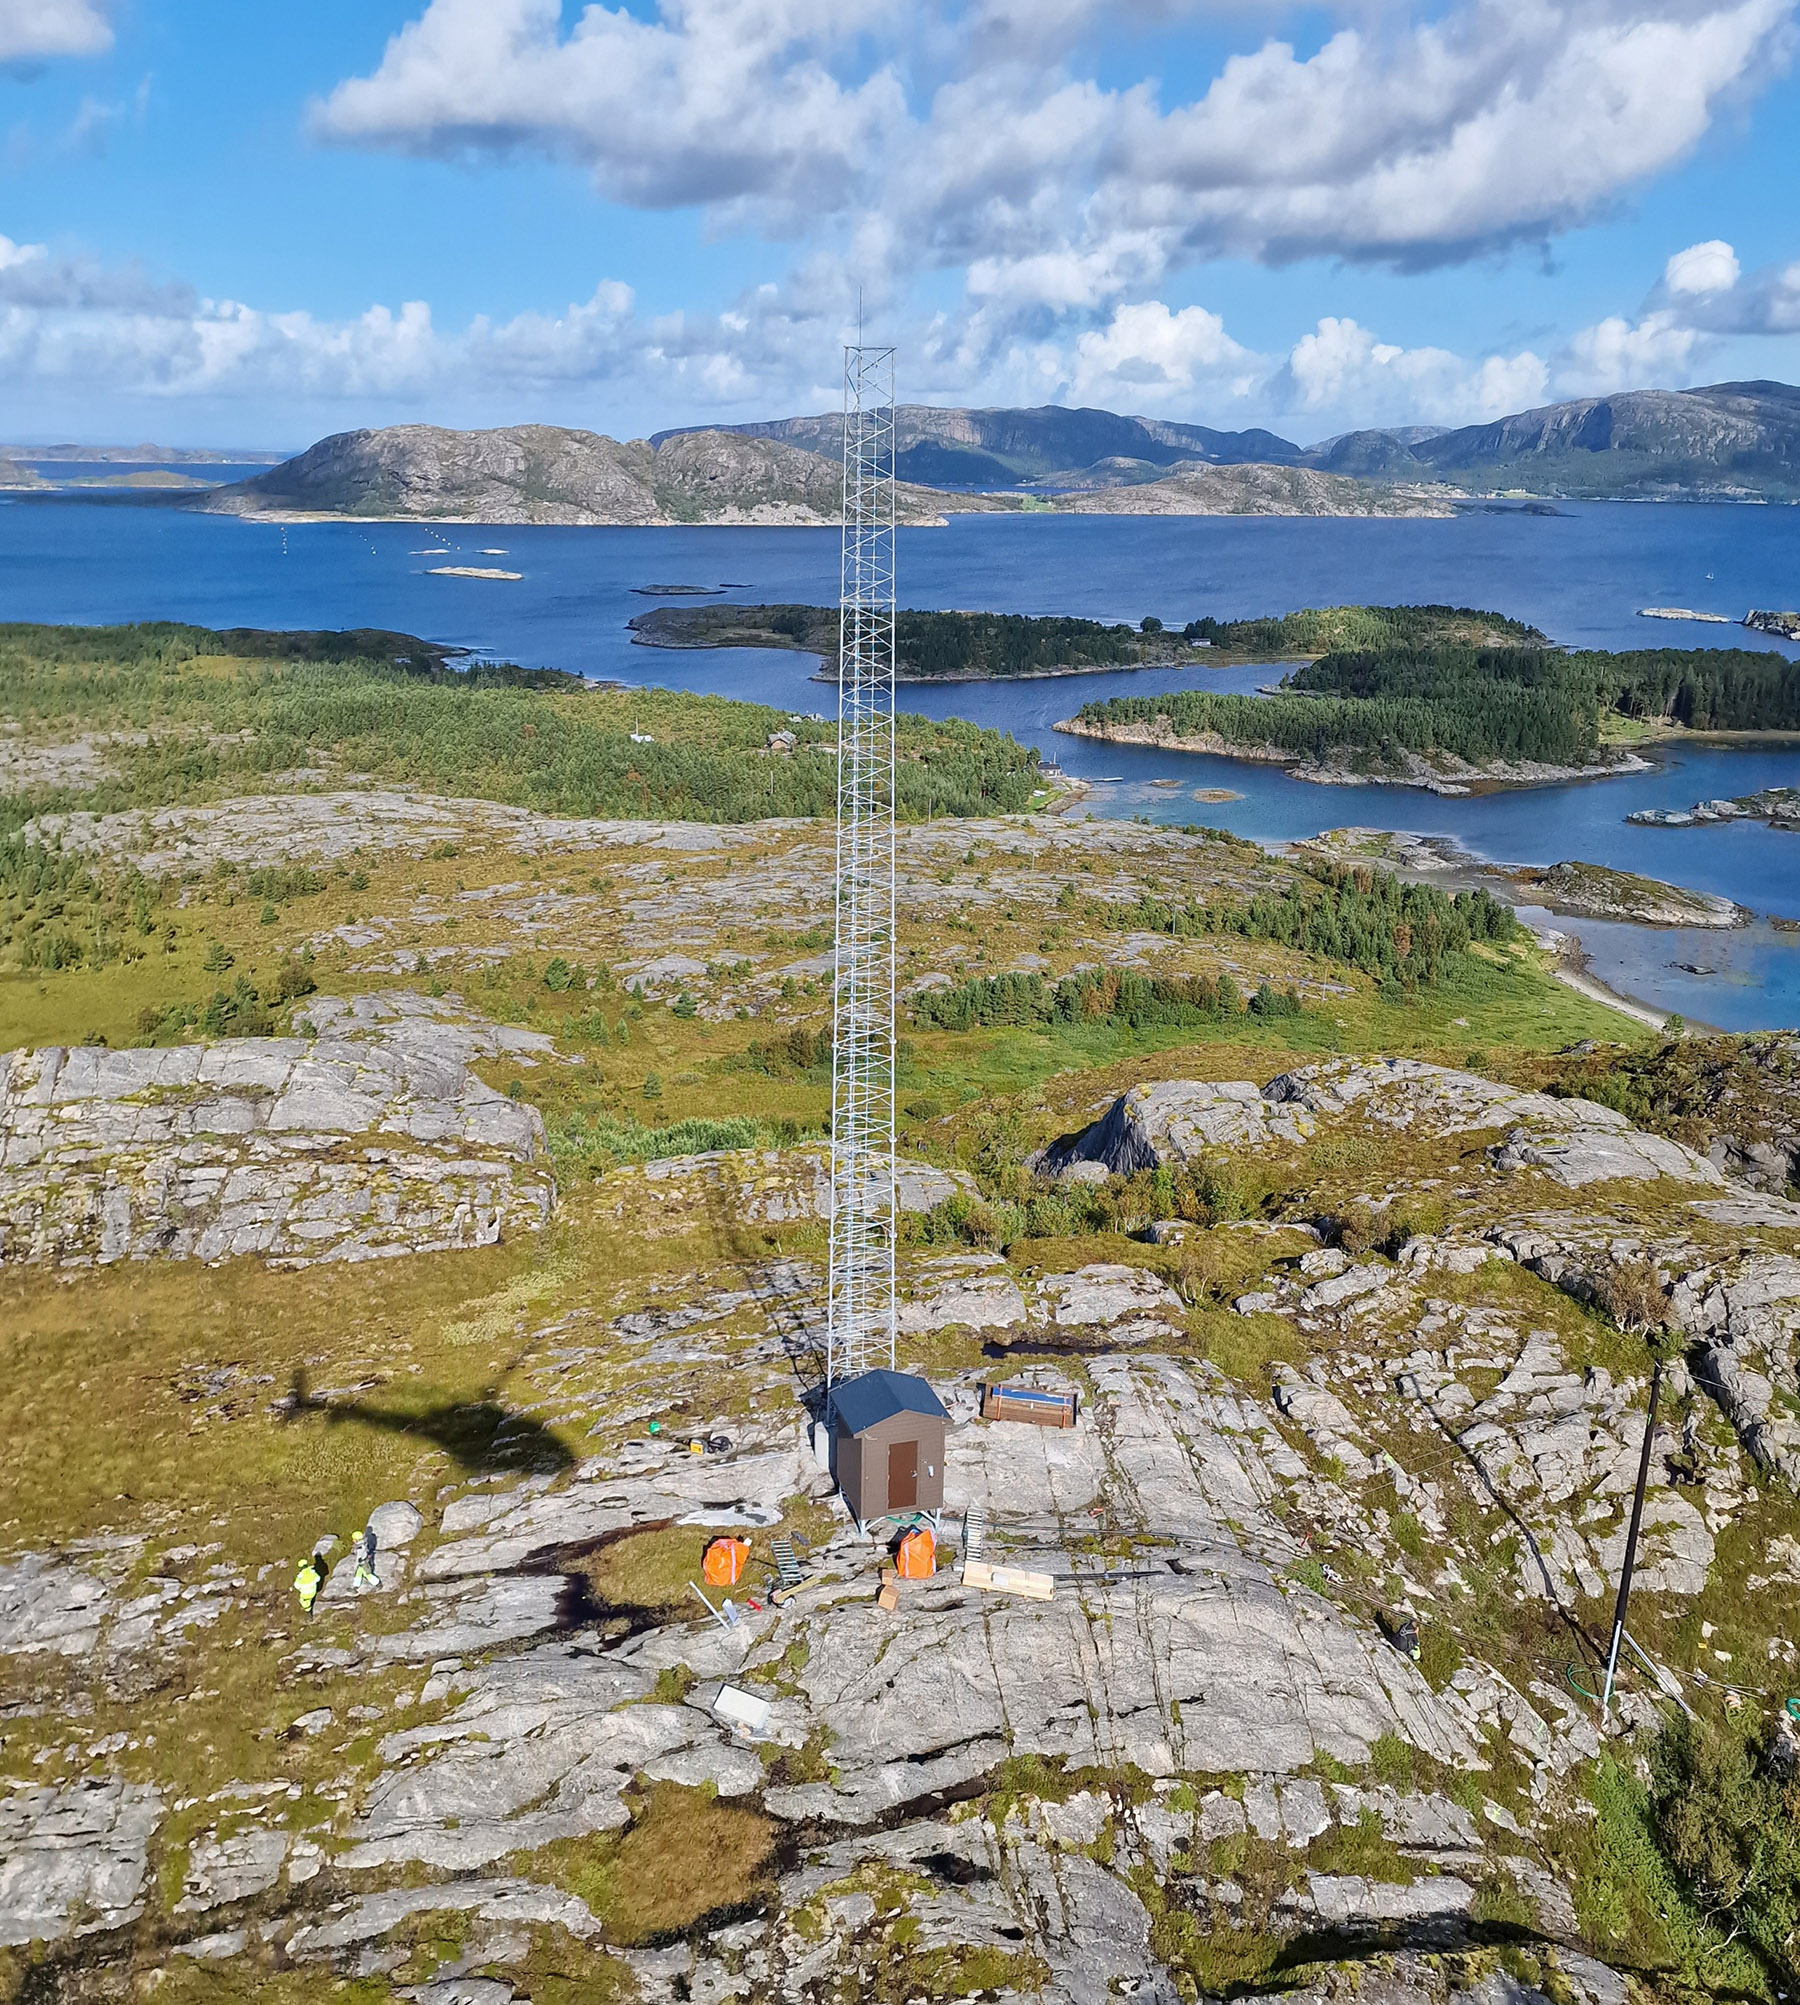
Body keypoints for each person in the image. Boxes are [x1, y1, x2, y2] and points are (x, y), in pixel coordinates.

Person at [293, 1552, 325, 1617]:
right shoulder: (312, 1571)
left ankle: (309, 1615)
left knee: (305, 1604)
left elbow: (296, 1586)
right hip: (313, 1591)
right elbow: (318, 1578)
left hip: (305, 1594)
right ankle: (312, 1603)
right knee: (312, 1597)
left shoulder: (300, 1576)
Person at [353, 1526, 379, 1592]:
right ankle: (355, 1586)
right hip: (361, 1563)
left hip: (362, 1562)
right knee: (358, 1574)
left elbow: (361, 1554)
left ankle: (377, 1583)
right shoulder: (363, 1543)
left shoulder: (360, 1547)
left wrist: (361, 1560)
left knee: (367, 1574)